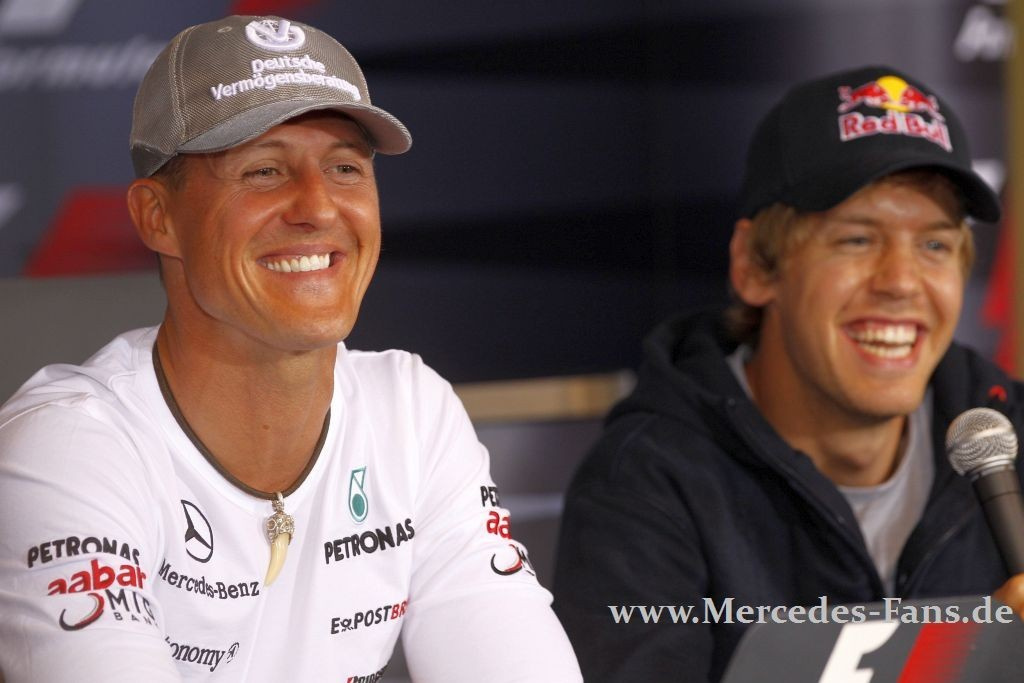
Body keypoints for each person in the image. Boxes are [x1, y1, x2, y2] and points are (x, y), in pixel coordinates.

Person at [0, 15, 582, 683]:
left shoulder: (410, 413)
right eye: (264, 170)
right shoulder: (69, 447)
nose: (319, 207)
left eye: (344, 167)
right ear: (157, 217)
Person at [553, 65, 1024, 682]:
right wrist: (965, 664)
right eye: (857, 240)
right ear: (755, 266)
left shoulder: (1008, 437)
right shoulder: (645, 484)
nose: (902, 282)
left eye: (934, 245)